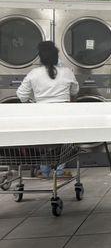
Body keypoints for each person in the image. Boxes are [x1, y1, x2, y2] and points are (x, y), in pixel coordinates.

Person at [16, 41, 79, 178]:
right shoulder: (67, 72)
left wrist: (34, 100)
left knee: (44, 142)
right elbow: (75, 91)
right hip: (64, 116)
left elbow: (21, 95)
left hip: (41, 117)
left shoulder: (34, 73)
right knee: (64, 142)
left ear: (40, 57)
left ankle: (44, 171)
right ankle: (60, 171)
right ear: (56, 56)